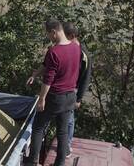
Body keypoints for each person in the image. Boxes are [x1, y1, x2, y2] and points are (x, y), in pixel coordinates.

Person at [24, 19, 80, 166]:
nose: (48, 37)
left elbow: (48, 80)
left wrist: (42, 99)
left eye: (48, 34)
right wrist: (35, 74)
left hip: (55, 97)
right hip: (70, 97)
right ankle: (60, 163)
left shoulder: (54, 51)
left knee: (38, 127)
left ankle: (32, 161)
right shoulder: (76, 48)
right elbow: (48, 66)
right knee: (62, 132)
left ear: (54, 32)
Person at [63, 22, 92, 154]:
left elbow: (86, 78)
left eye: (65, 36)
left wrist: (79, 98)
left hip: (73, 91)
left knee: (69, 118)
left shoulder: (83, 54)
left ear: (72, 35)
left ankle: (66, 146)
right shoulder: (64, 47)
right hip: (61, 89)